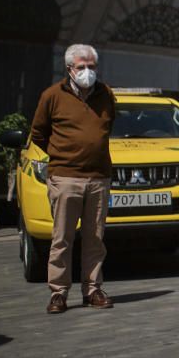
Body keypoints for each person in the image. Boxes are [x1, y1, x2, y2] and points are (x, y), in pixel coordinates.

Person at [30, 44, 116, 314]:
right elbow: (38, 133)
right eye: (81, 67)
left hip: (98, 177)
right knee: (62, 238)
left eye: (92, 66)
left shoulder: (106, 94)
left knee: (95, 238)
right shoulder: (52, 96)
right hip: (65, 177)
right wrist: (64, 154)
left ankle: (93, 290)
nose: (87, 71)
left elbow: (106, 127)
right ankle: (59, 293)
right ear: (69, 69)